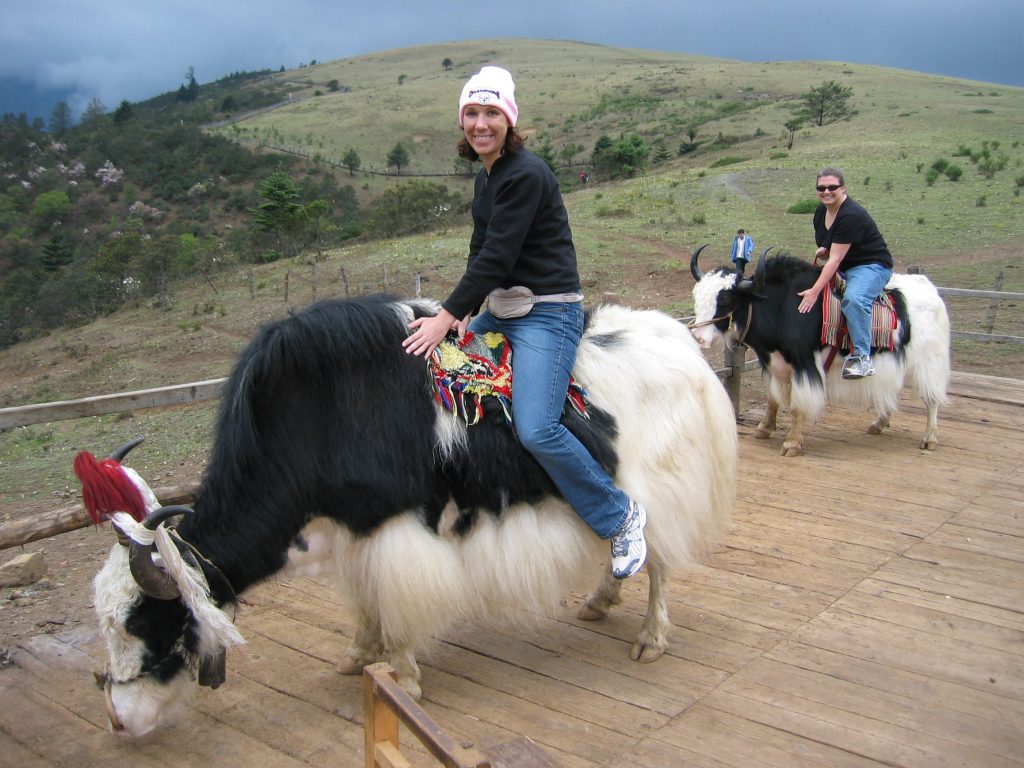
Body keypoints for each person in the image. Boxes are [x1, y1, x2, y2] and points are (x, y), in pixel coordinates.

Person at [402, 65, 647, 579]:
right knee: (451, 383)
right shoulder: (487, 177)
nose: (480, 123)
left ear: (510, 121)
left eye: (491, 112)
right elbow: (479, 254)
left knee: (536, 426)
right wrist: (463, 321)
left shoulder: (526, 174)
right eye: (472, 113)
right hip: (500, 309)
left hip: (546, 313)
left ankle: (619, 514)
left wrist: (443, 317)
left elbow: (495, 259)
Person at [797, 168, 894, 379]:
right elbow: (832, 250)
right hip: (844, 265)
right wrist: (826, 250)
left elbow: (836, 259)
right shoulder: (821, 212)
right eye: (821, 188)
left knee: (853, 299)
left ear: (843, 188)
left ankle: (862, 357)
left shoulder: (851, 215)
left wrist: (814, 291)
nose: (826, 191)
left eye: (832, 187)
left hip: (871, 266)